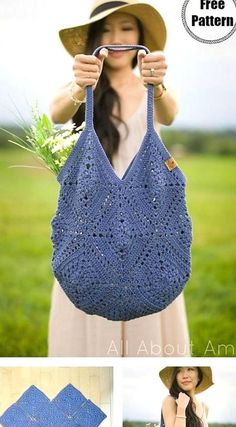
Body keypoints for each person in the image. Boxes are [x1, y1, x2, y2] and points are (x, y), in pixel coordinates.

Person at [48, 0, 190, 357]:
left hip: (147, 220)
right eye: (106, 30)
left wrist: (157, 85)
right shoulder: (86, 83)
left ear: (139, 37)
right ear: (96, 38)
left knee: (149, 282)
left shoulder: (150, 86)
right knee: (90, 281)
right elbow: (55, 113)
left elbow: (170, 114)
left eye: (126, 28)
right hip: (92, 220)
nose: (116, 39)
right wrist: (79, 87)